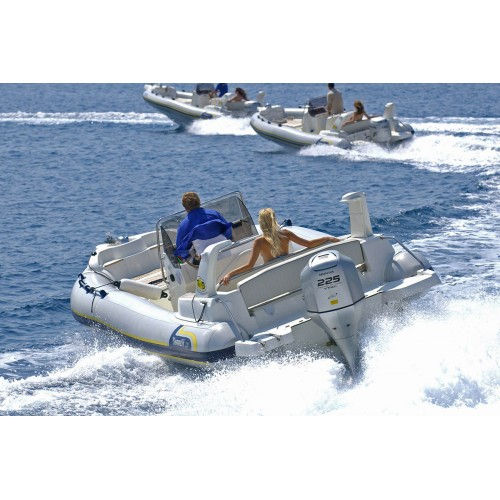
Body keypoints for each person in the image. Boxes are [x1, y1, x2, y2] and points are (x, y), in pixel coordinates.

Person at [219, 208, 341, 285]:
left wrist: (229, 274)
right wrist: (327, 238)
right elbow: (309, 244)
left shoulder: (259, 242)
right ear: (274, 220)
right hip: (289, 272)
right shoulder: (286, 234)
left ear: (261, 223)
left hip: (272, 278)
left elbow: (249, 266)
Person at [174, 192, 232, 263]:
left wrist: (187, 256)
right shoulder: (214, 213)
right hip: (227, 253)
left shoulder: (183, 225)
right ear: (199, 202)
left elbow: (181, 251)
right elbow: (228, 232)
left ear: (185, 207)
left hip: (207, 262)